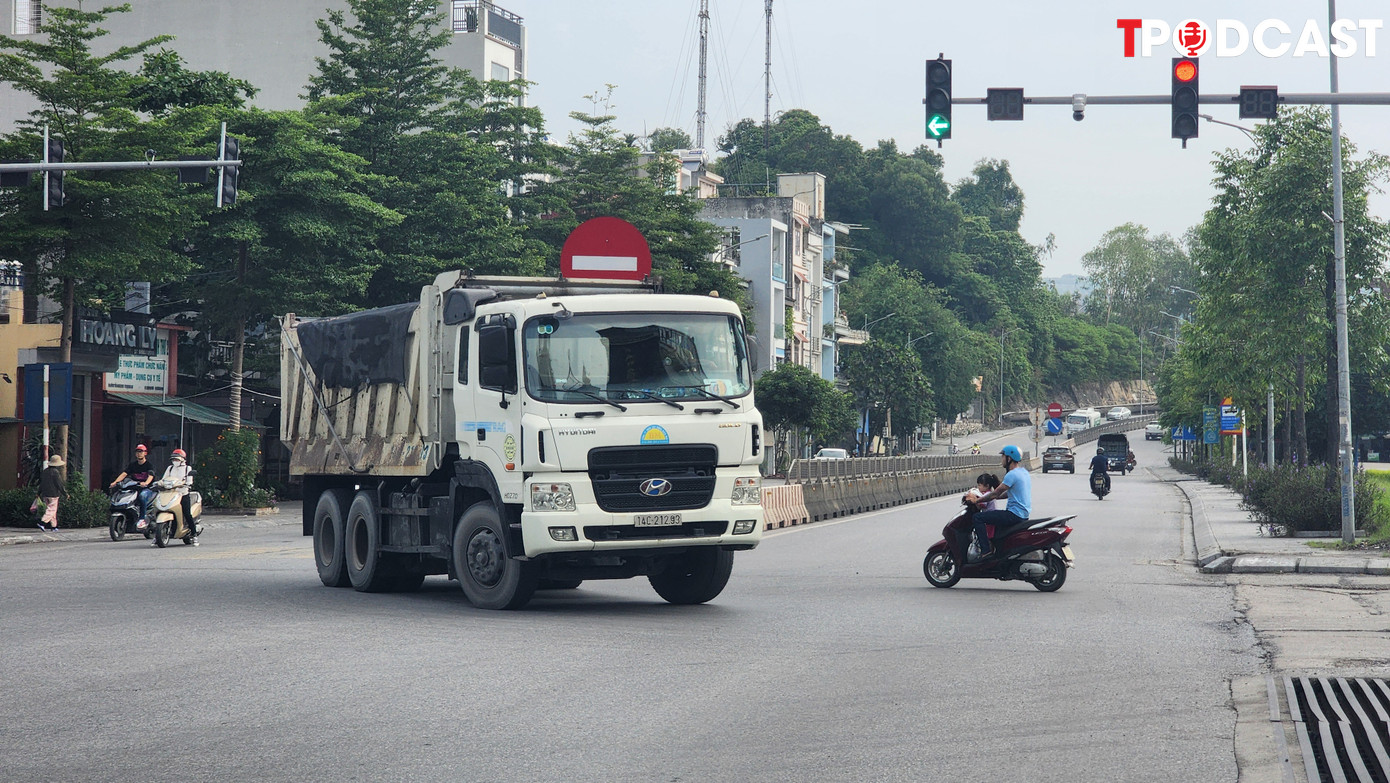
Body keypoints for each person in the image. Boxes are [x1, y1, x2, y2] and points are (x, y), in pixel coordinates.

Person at [967, 445, 1032, 558]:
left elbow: (994, 493)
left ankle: (986, 550)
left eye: (1003, 456)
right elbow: (1009, 493)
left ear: (1009, 458)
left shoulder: (1011, 475)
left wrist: (977, 500)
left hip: (1014, 514)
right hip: (1023, 514)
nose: (1001, 459)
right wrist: (995, 497)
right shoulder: (1024, 472)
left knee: (977, 518)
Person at [156, 448, 198, 543]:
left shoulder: (187, 468)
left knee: (187, 513)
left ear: (183, 459)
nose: (175, 461)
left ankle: (194, 533)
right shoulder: (170, 468)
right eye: (173, 459)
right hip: (169, 493)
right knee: (159, 509)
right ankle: (156, 534)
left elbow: (189, 481)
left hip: (182, 493)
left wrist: (185, 484)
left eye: (177, 459)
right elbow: (164, 479)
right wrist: (159, 483)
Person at [110, 444, 157, 528]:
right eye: (137, 452)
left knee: (142, 497)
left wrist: (146, 483)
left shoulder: (149, 465)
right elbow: (124, 474)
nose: (139, 454)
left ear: (145, 453)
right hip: (134, 488)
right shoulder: (133, 465)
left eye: (141, 452)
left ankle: (142, 519)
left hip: (147, 489)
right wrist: (115, 482)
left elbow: (151, 475)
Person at [36, 455, 64, 531]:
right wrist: (65, 493)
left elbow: (41, 483)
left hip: (45, 493)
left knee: (51, 510)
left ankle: (54, 526)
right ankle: (42, 522)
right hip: (54, 494)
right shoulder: (56, 472)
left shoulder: (45, 472)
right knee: (52, 510)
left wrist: (38, 492)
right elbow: (59, 484)